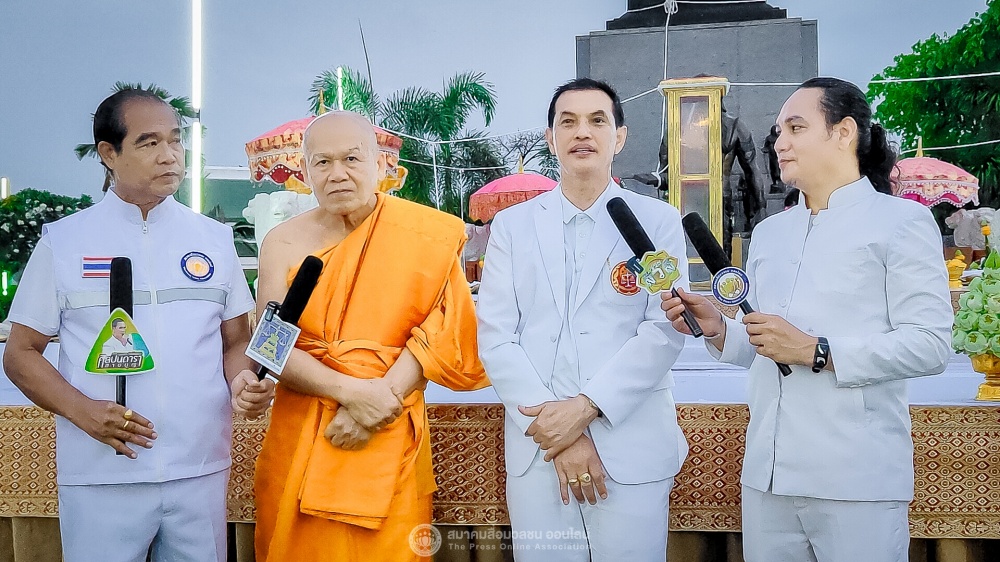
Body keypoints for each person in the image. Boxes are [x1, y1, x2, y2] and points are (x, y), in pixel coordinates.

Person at [662, 77, 953, 562]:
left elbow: (930, 345)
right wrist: (717, 328)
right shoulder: (770, 233)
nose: (781, 143)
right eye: (778, 131)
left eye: (796, 128)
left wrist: (817, 350)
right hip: (768, 475)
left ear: (844, 132)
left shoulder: (902, 222)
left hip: (855, 476)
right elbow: (763, 346)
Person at [2, 87, 274, 562]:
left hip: (198, 468)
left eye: (175, 140)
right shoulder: (64, 243)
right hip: (102, 473)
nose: (169, 155)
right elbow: (20, 353)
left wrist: (243, 382)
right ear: (109, 153)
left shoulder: (214, 240)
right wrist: (83, 410)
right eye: (149, 143)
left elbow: (235, 341)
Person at [252, 111, 488, 562]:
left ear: (381, 165)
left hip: (388, 423)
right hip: (304, 425)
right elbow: (269, 345)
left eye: (351, 159)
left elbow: (439, 334)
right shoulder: (282, 242)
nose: (337, 174)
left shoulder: (426, 235)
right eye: (322, 162)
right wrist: (350, 393)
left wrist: (372, 408)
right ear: (305, 171)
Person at [477, 78, 689, 560]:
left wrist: (587, 408)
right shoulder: (513, 226)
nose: (582, 133)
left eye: (597, 121)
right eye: (567, 122)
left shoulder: (657, 220)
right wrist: (560, 430)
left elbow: (664, 329)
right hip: (541, 447)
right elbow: (496, 336)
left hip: (629, 445)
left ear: (620, 137)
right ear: (550, 138)